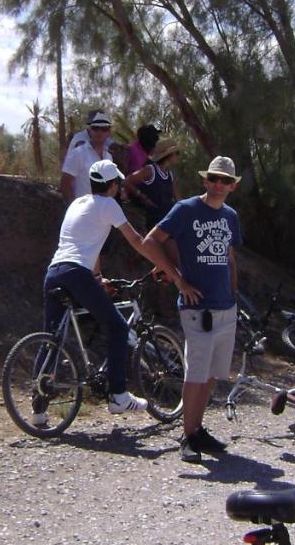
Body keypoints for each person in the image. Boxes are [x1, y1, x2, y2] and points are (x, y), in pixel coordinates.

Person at [38, 160, 200, 427]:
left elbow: (86, 247)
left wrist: (99, 279)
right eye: (118, 184)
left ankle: (38, 408)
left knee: (51, 338)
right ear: (112, 185)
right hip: (77, 273)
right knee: (117, 328)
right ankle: (118, 395)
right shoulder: (108, 204)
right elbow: (137, 240)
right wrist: (167, 268)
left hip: (55, 272)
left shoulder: (77, 204)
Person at [147, 155, 242, 461]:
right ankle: (187, 437)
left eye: (225, 181)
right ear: (205, 180)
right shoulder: (186, 209)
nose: (218, 185)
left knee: (214, 373)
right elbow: (151, 241)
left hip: (226, 308)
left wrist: (235, 295)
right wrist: (178, 280)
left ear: (233, 186)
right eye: (214, 178)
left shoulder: (230, 216)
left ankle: (197, 429)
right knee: (196, 373)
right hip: (197, 308)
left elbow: (229, 257)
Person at [125, 139, 181, 230]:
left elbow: (178, 199)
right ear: (168, 155)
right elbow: (127, 182)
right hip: (154, 221)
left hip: (168, 219)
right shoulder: (150, 170)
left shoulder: (171, 175)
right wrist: (142, 197)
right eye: (177, 153)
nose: (179, 156)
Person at [60, 110, 113, 204]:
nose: (99, 132)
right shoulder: (78, 153)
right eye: (96, 128)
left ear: (109, 132)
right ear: (90, 130)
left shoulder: (108, 157)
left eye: (104, 129)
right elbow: (65, 183)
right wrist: (73, 208)